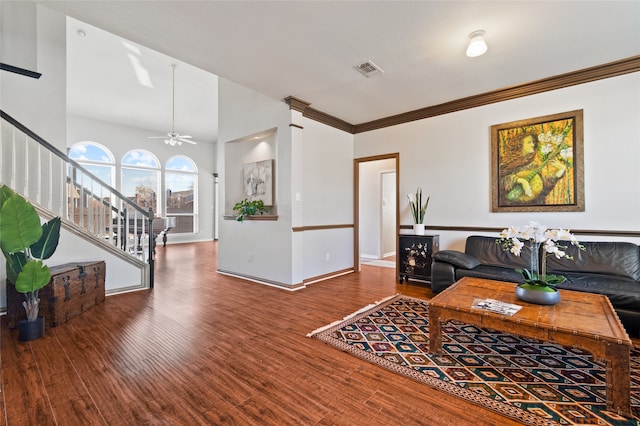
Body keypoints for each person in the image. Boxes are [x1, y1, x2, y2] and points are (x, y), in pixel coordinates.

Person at [499, 132, 567, 206]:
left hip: (532, 206)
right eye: (529, 142)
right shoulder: (505, 163)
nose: (533, 145)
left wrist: (560, 170)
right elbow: (499, 182)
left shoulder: (533, 165)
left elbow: (541, 186)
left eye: (533, 142)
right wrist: (520, 180)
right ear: (519, 145)